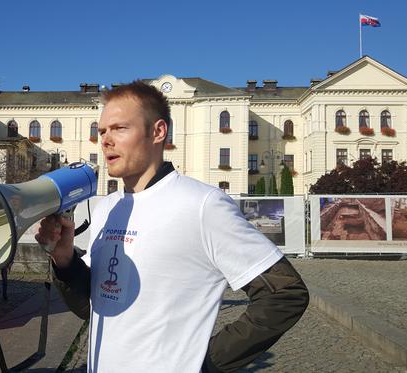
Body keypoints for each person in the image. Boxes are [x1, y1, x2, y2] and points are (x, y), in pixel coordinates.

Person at [36, 81, 310, 372]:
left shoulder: (203, 205)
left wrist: (204, 365)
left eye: (119, 128)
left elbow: (285, 294)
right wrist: (65, 261)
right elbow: (91, 308)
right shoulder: (107, 207)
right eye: (102, 130)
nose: (105, 140)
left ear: (158, 131)